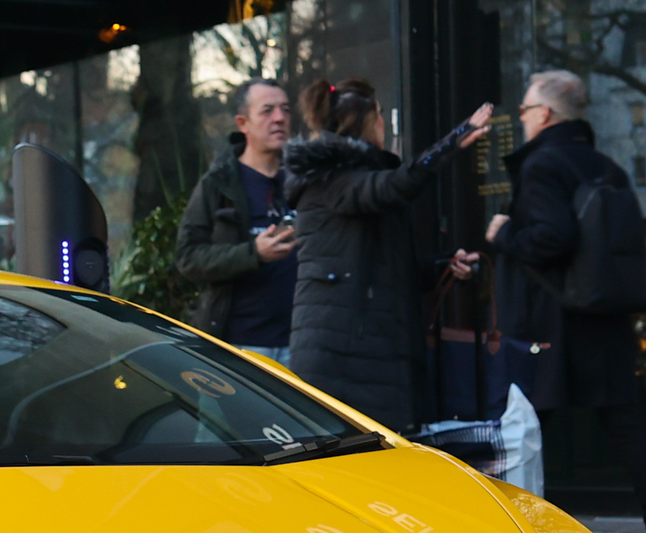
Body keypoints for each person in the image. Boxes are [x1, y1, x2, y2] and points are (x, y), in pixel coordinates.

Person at [486, 69, 646, 533]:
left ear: (546, 114)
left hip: (554, 320)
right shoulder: (606, 166)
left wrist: (504, 234)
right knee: (624, 420)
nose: (524, 119)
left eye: (527, 111)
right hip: (605, 314)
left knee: (524, 425)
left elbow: (551, 239)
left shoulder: (543, 165)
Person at [280, 79, 491, 430]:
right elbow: (394, 186)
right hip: (345, 356)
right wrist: (452, 143)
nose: (384, 123)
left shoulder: (356, 179)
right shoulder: (332, 180)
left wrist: (444, 267)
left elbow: (389, 271)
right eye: (378, 115)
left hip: (370, 350)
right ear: (364, 123)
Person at [175, 78, 299, 362]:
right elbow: (188, 257)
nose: (280, 118)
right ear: (243, 123)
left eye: (285, 109)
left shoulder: (305, 179)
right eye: (267, 111)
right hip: (241, 347)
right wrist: (253, 253)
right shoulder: (218, 183)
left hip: (302, 342)